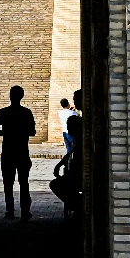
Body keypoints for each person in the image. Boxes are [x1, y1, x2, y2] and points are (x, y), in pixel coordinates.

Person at [0, 84, 37, 220]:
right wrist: (21, 132)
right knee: (24, 182)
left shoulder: (3, 112)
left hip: (8, 151)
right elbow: (32, 132)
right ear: (22, 96)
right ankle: (25, 211)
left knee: (8, 183)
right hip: (22, 151)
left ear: (10, 96)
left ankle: (10, 210)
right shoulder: (26, 113)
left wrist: (8, 132)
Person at [51, 88, 85, 222]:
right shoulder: (78, 120)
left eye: (77, 100)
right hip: (77, 170)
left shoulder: (85, 124)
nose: (75, 103)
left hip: (83, 172)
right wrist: (60, 164)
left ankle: (80, 206)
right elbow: (73, 150)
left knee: (58, 185)